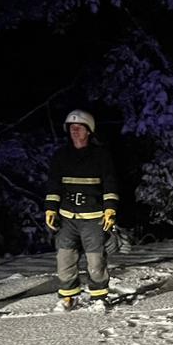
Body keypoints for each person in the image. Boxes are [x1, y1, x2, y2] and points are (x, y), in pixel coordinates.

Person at [46, 109, 119, 308]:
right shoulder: (61, 155)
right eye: (71, 127)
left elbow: (110, 184)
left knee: (96, 260)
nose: (74, 131)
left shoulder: (101, 155)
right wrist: (50, 209)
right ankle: (69, 296)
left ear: (89, 130)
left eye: (79, 127)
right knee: (65, 258)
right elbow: (53, 185)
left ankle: (99, 296)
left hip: (93, 217)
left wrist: (110, 209)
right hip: (67, 217)